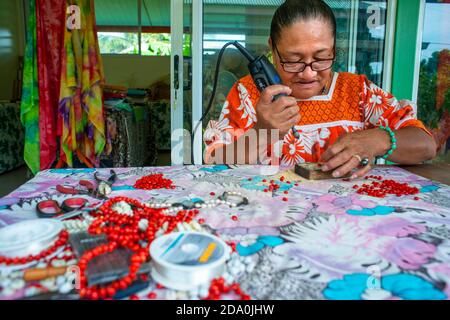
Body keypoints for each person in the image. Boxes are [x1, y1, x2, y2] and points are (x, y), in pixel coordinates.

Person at [203, 0, 436, 179]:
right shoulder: (247, 92)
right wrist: (262, 131)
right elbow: (215, 164)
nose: (308, 73)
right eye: (293, 60)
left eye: (322, 57)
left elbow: (426, 146)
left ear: (334, 48)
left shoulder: (358, 92)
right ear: (272, 49)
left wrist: (377, 140)